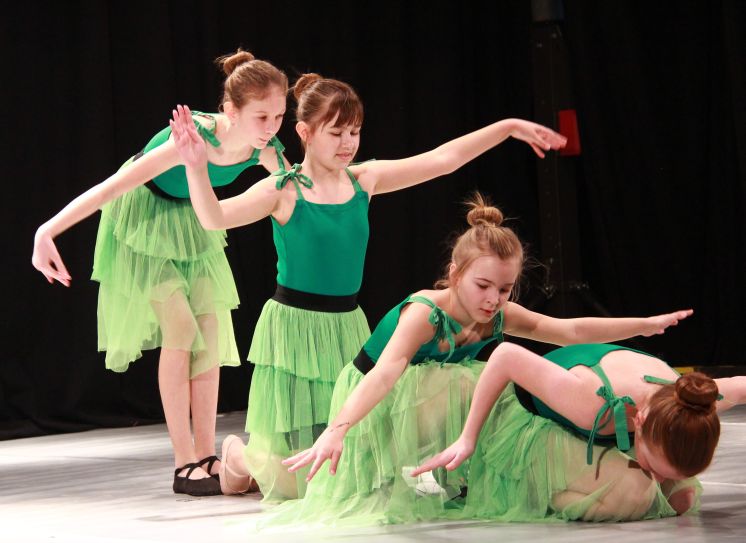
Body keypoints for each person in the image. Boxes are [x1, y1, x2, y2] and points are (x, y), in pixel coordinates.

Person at [169, 74, 568, 501]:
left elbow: (443, 159)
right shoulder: (282, 189)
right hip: (296, 330)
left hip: (346, 327)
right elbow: (213, 218)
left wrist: (507, 127)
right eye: (336, 133)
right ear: (305, 133)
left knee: (345, 473)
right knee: (297, 485)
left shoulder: (364, 180)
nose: (348, 143)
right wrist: (195, 167)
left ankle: (258, 465)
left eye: (354, 132)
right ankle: (240, 458)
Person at [229, 193, 695, 525]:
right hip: (377, 399)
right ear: (455, 274)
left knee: (474, 384)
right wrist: (339, 428)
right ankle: (241, 461)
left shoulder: (497, 314)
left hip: (428, 402)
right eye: (483, 286)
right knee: (323, 484)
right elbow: (386, 373)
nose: (494, 299)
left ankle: (458, 474)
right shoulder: (425, 313)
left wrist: (641, 324)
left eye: (505, 289)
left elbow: (568, 330)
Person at [31, 50, 288, 496]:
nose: (271, 127)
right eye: (261, 117)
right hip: (143, 219)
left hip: (193, 218)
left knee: (209, 330)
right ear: (231, 111)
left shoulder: (266, 148)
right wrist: (47, 230)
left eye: (279, 116)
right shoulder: (190, 138)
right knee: (181, 329)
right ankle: (183, 462)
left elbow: (295, 188)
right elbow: (111, 188)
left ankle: (207, 454)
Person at [413, 338, 745, 521]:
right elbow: (505, 356)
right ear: (640, 423)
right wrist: (468, 438)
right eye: (656, 468)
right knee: (634, 495)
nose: (658, 479)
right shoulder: (592, 404)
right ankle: (541, 491)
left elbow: (740, 386)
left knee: (682, 498)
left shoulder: (691, 400)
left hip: (613, 419)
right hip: (529, 418)